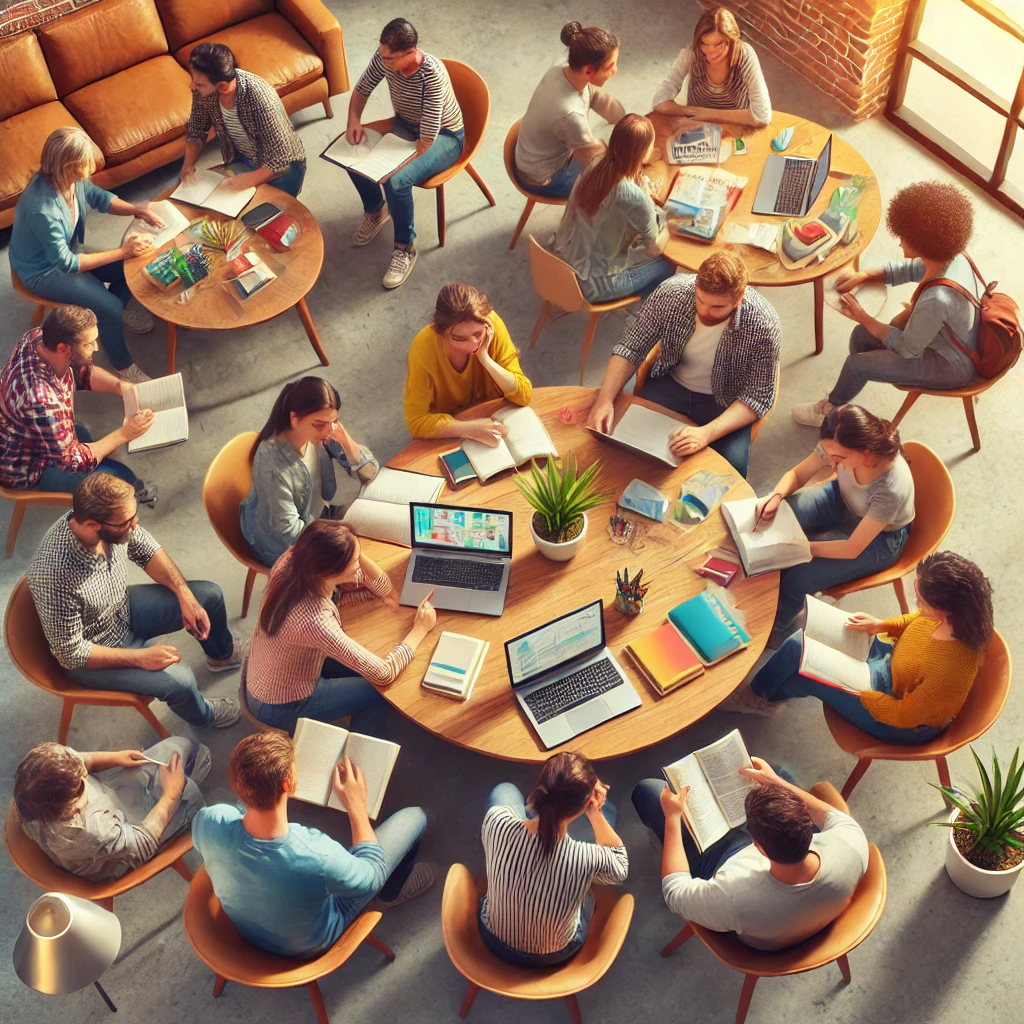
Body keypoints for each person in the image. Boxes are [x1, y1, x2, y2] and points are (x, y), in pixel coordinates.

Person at [26, 474, 243, 730]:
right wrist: (139, 657)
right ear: (93, 524)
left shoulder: (115, 522)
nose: (135, 525)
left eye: (134, 516)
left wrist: (185, 595)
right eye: (126, 523)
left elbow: (147, 550)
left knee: (209, 597)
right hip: (93, 648)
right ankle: (204, 717)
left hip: (121, 607)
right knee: (181, 681)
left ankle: (222, 655)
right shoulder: (54, 575)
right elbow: (71, 654)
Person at [192, 732, 434, 958]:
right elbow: (372, 877)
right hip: (310, 943)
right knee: (416, 817)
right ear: (287, 785)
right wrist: (357, 806)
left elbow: (234, 815)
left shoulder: (208, 820)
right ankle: (391, 895)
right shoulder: (316, 853)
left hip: (248, 930)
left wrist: (265, 783)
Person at [741, 552, 994, 738]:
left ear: (945, 610)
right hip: (890, 663)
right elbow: (914, 621)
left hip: (895, 710)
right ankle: (767, 693)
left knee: (800, 657)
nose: (916, 604)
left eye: (920, 600)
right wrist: (881, 625)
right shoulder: (952, 619)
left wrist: (858, 693)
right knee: (805, 638)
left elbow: (904, 715)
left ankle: (756, 698)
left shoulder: (950, 672)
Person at [792, 182, 981, 426]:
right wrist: (866, 275)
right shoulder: (951, 256)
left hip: (948, 365)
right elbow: (910, 268)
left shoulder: (936, 300)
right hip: (948, 337)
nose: (900, 242)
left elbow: (906, 349)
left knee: (857, 364)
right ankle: (854, 382)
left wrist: (863, 316)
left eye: (904, 237)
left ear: (923, 243)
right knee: (861, 337)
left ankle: (829, 409)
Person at [632, 757, 868, 951]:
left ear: (760, 848)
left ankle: (662, 835)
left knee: (648, 790)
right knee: (779, 770)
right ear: (808, 826)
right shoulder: (851, 843)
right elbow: (827, 814)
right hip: (806, 909)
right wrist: (775, 782)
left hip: (724, 864)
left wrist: (672, 819)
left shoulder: (733, 895)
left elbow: (674, 892)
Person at [587, 252, 781, 477]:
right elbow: (631, 346)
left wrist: (706, 434)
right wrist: (605, 399)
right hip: (670, 383)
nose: (704, 311)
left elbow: (758, 397)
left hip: (726, 401)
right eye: (700, 300)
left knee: (728, 474)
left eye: (717, 307)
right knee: (625, 450)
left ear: (740, 297)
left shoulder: (764, 326)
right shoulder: (671, 294)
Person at [243, 520, 437, 735]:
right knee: (379, 694)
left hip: (268, 674)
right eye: (355, 560)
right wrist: (420, 629)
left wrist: (351, 546)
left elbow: (385, 590)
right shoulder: (316, 621)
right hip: (279, 704)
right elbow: (384, 674)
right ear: (332, 570)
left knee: (372, 660)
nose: (360, 564)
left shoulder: (292, 560)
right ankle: (359, 763)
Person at [9, 127, 160, 384]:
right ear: (68, 166)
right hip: (44, 270)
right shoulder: (42, 210)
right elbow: (66, 263)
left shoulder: (69, 180)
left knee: (131, 267)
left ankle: (110, 317)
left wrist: (137, 210)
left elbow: (99, 197)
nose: (93, 166)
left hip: (66, 254)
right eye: (87, 162)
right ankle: (123, 364)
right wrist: (122, 251)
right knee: (110, 305)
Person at [755, 404, 914, 642]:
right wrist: (776, 496)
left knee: (801, 573)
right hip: (842, 498)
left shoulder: (891, 487)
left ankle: (776, 629)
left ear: (866, 452)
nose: (832, 465)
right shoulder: (838, 441)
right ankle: (761, 590)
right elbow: (798, 474)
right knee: (780, 517)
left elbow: (852, 548)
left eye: (839, 458)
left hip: (880, 540)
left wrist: (802, 546)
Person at [345, 18, 465, 289]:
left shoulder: (431, 74)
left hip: (443, 136)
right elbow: (363, 88)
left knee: (395, 181)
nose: (383, 61)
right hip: (405, 124)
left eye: (391, 58)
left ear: (411, 53)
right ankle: (376, 210)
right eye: (382, 54)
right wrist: (353, 120)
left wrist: (390, 163)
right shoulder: (384, 56)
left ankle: (405, 247)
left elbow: (427, 139)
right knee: (353, 156)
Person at [479, 753, 628, 967]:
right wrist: (595, 812)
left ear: (540, 788)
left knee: (504, 790)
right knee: (609, 814)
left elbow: (502, 808)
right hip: (554, 954)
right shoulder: (587, 857)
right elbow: (620, 869)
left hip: (492, 938)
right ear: (586, 803)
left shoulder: (497, 823)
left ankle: (533, 812)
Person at [0, 306, 157, 504]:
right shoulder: (42, 402)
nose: (97, 348)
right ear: (63, 348)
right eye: (89, 344)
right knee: (119, 479)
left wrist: (120, 386)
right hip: (28, 468)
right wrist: (126, 433)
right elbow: (75, 460)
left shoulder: (36, 338)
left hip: (29, 435)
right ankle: (135, 493)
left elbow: (80, 371)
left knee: (89, 441)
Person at [14, 737, 209, 882]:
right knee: (188, 790)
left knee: (179, 749)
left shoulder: (32, 797)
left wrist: (115, 758)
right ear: (68, 808)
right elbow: (140, 847)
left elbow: (81, 761)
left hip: (111, 805)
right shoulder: (95, 831)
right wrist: (172, 794)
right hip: (123, 843)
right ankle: (191, 804)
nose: (85, 775)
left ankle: (188, 772)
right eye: (81, 785)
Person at [240, 377, 379, 568]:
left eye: (334, 421)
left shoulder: (323, 433)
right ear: (294, 419)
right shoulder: (273, 465)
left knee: (376, 533)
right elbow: (288, 531)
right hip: (283, 545)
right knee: (358, 563)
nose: (328, 430)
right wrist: (336, 541)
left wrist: (346, 442)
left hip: (318, 519)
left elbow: (369, 473)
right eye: (319, 424)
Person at [551, 113, 675, 304]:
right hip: (594, 285)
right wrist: (671, 227)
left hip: (559, 261)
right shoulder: (633, 196)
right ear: (644, 152)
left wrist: (641, 184)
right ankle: (645, 314)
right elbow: (654, 249)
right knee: (668, 263)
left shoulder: (595, 163)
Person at [404, 283, 533, 444]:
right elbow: (417, 423)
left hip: (498, 417)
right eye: (459, 339)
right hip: (451, 428)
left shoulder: (491, 323)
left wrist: (485, 359)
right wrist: (469, 429)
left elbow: (524, 395)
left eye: (478, 334)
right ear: (441, 332)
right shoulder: (423, 348)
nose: (473, 344)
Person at [514, 22, 625, 198]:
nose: (615, 70)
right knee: (613, 187)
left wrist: (620, 117)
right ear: (589, 71)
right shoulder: (570, 116)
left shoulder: (568, 61)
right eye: (610, 66)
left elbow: (593, 93)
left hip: (531, 150)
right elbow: (594, 160)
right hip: (544, 177)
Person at [181, 43, 307, 198]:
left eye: (200, 84)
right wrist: (188, 165)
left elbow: (281, 159)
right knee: (205, 199)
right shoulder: (203, 93)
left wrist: (248, 180)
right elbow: (197, 131)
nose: (193, 86)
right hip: (244, 159)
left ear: (222, 86)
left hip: (284, 169)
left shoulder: (260, 97)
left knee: (260, 217)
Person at [653, 6, 771, 128]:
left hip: (735, 128)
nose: (711, 52)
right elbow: (660, 101)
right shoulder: (691, 53)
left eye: (719, 44)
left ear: (733, 41)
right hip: (696, 127)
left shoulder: (745, 55)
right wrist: (693, 112)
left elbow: (762, 116)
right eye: (705, 44)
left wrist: (707, 114)